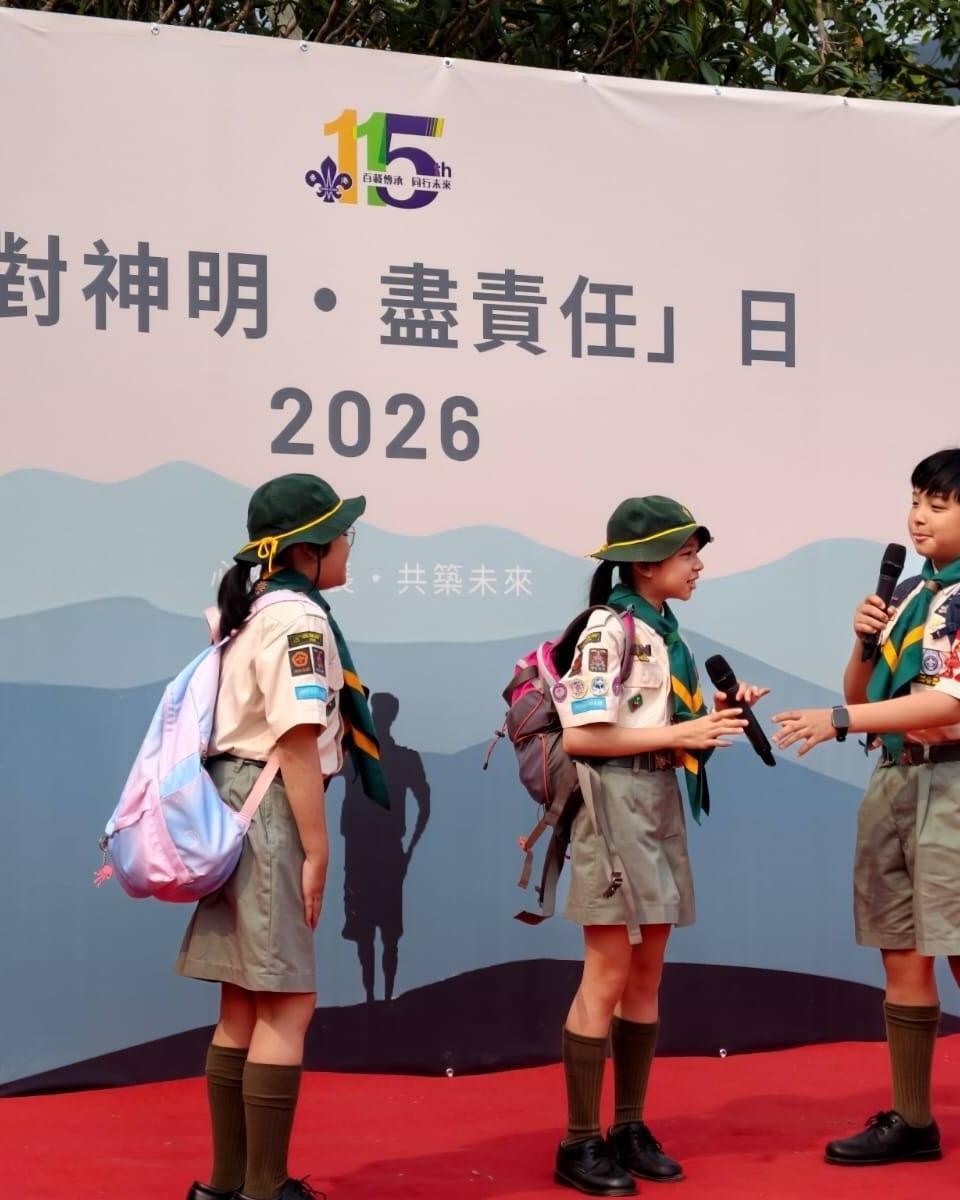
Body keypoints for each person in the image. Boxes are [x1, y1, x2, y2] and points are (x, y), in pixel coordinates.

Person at [177, 473, 387, 1200]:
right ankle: (263, 1191)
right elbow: (298, 742)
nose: (348, 547)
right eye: (342, 535)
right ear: (308, 549)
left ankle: (224, 1187)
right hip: (270, 809)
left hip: (234, 802)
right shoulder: (298, 620)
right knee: (286, 1004)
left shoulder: (249, 612)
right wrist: (317, 849)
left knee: (242, 1003)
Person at [551, 496, 764, 1196]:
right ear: (645, 565)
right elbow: (581, 736)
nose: (698, 567)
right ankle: (579, 1141)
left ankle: (628, 1127)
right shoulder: (606, 629)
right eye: (687, 555)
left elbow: (658, 728)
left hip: (660, 800)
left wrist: (711, 719)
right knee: (606, 974)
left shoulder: (668, 633)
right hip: (613, 807)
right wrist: (680, 733)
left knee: (646, 976)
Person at [773, 448, 960, 1167]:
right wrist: (862, 643)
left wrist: (840, 721)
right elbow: (862, 694)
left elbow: (946, 704)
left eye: (937, 504)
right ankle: (913, 1119)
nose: (918, 516)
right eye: (915, 500)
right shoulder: (911, 594)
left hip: (953, 782)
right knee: (901, 948)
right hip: (895, 779)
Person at [341, 692, 431, 1003]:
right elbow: (424, 804)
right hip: (372, 852)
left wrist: (410, 848)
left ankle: (379, 997)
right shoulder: (359, 755)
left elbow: (425, 804)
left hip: (377, 852)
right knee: (372, 929)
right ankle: (377, 996)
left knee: (377, 929)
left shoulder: (358, 756)